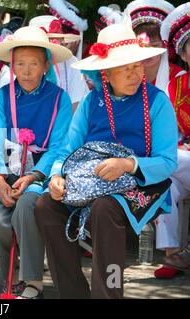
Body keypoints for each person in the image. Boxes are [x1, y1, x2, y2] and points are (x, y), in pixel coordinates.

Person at [34, 20, 178, 299]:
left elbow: (168, 161)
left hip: (142, 187)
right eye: (125, 69)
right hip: (93, 182)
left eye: (137, 65)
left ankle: (107, 294)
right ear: (106, 74)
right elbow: (67, 149)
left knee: (104, 209)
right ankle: (72, 292)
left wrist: (129, 165)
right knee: (45, 205)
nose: (135, 74)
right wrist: (56, 176)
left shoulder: (157, 102)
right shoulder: (91, 102)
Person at [0, 26, 73, 299]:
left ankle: (33, 282)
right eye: (20, 63)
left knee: (26, 207)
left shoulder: (59, 98)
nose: (27, 70)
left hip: (42, 173)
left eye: (34, 63)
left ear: (45, 65)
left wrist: (34, 175)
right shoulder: (1, 97)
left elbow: (61, 146)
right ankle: (11, 274)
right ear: (11, 64)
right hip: (6, 170)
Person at [154, 3, 190, 279]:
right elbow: (169, 131)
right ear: (183, 53)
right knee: (163, 183)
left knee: (163, 163)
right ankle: (173, 252)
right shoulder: (174, 85)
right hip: (183, 160)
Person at [29, 15, 89, 111]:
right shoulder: (23, 64)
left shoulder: (70, 61)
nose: (59, 43)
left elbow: (77, 104)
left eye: (58, 40)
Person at [125, 0, 184, 93]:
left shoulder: (179, 78)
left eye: (154, 45)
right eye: (142, 45)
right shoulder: (125, 76)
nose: (147, 53)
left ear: (165, 45)